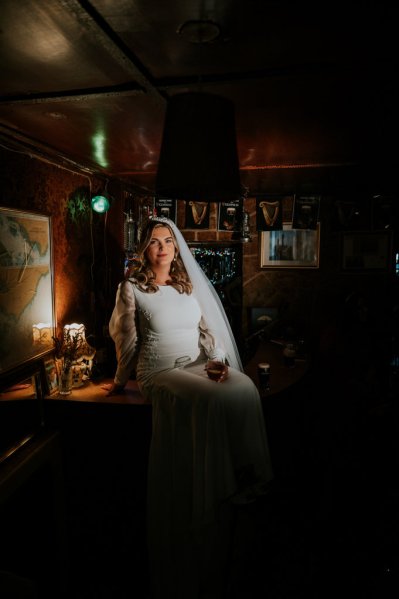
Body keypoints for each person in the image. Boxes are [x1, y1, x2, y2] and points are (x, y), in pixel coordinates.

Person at [106, 216, 273, 599]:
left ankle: (249, 477)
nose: (163, 247)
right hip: (159, 372)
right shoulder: (132, 288)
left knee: (244, 386)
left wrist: (217, 361)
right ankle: (217, 490)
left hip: (195, 365)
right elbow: (126, 341)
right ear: (144, 248)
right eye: (154, 242)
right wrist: (119, 382)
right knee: (213, 400)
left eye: (168, 241)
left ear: (177, 247)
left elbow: (206, 331)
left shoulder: (187, 286)